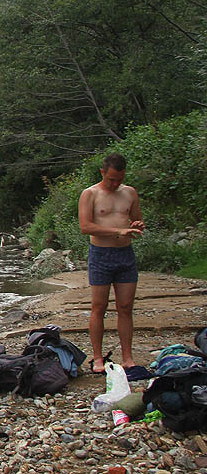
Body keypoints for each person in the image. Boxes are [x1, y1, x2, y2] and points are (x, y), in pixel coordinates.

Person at [78, 153, 145, 375]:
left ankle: (128, 357)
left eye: (119, 179)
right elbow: (86, 226)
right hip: (101, 254)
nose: (115, 183)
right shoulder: (90, 194)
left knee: (125, 307)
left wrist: (136, 225)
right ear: (103, 172)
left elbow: (137, 219)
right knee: (99, 307)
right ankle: (97, 358)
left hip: (125, 254)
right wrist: (118, 230)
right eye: (111, 179)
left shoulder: (130, 192)